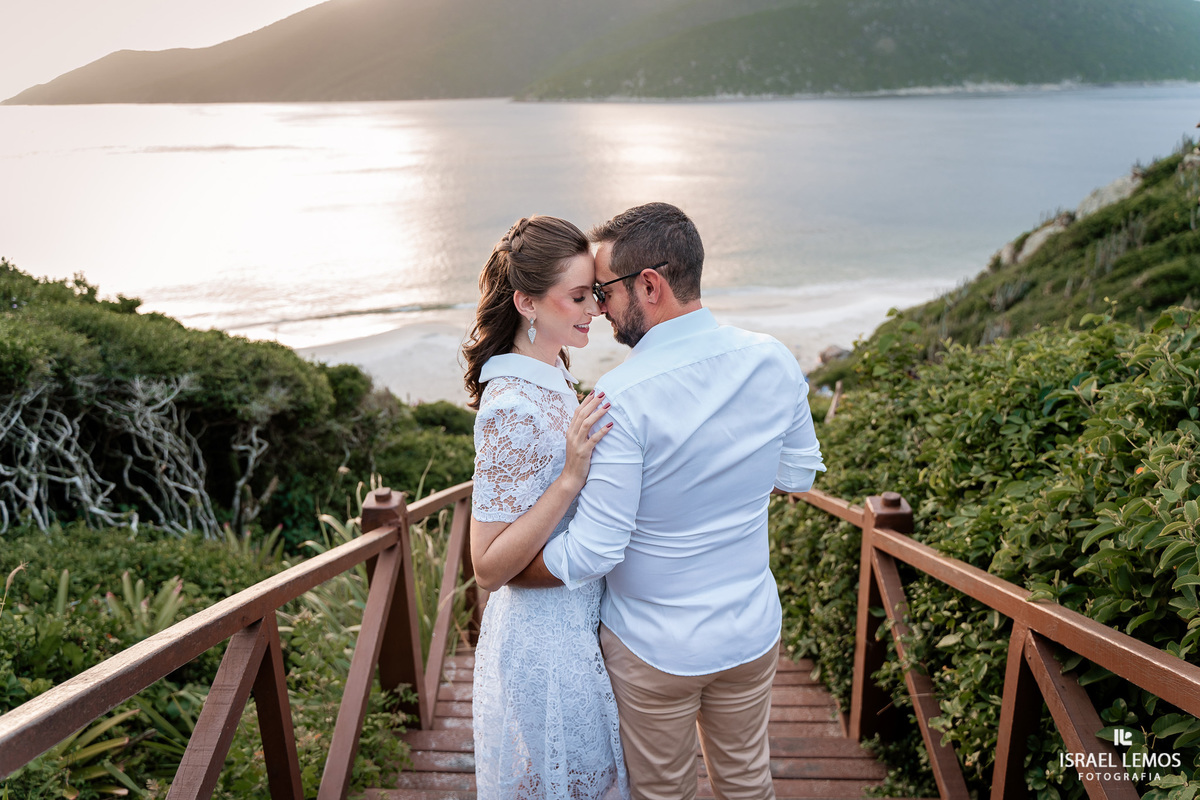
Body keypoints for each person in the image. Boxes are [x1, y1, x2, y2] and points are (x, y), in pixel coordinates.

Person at [510, 203, 825, 800]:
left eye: (603, 291)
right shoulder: (773, 358)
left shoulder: (619, 398)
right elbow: (798, 476)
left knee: (662, 795)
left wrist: (513, 569)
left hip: (654, 647)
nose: (598, 308)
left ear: (649, 285)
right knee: (749, 783)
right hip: (750, 631)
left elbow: (597, 549)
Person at [462, 215, 630, 800]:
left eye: (598, 294)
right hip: (544, 640)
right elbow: (485, 567)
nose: (597, 310)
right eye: (580, 297)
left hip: (577, 620)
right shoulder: (510, 406)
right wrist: (569, 479)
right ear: (527, 302)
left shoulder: (550, 369)